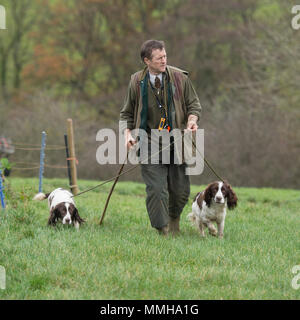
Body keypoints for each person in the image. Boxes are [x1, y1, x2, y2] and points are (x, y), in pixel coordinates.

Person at [120, 40, 202, 235]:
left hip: (178, 141)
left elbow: (194, 105)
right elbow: (126, 114)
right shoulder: (136, 82)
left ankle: (174, 221)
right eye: (159, 58)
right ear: (147, 60)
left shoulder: (180, 78)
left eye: (165, 56)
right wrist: (127, 135)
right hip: (149, 142)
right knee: (157, 190)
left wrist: (192, 121)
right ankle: (162, 230)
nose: (164, 60)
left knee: (180, 191)